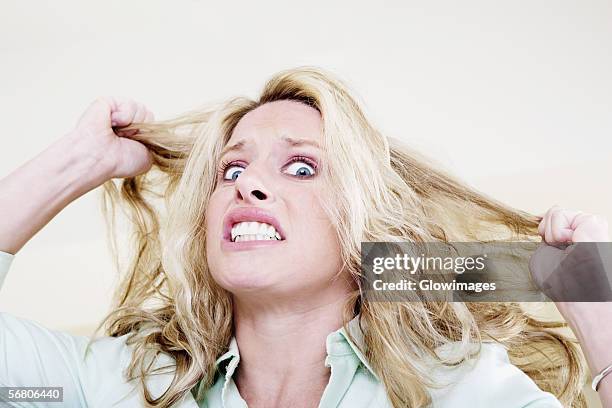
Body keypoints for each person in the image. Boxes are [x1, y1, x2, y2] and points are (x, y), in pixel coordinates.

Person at [0, 66, 610, 408]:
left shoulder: (457, 389)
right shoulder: (119, 385)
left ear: (364, 223)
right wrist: (78, 161)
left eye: (300, 167)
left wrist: (598, 312)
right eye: (231, 170)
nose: (248, 186)